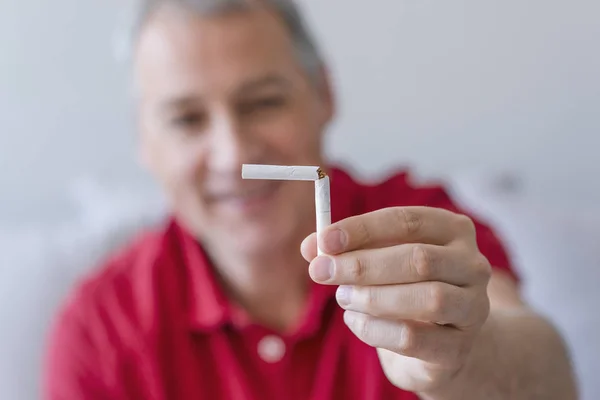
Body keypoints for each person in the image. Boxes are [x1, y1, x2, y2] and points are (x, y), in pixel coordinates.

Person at [43, 0, 577, 399]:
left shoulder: (421, 229)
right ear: (145, 141)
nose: (232, 155)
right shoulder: (103, 327)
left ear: (323, 95)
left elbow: (550, 378)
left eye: (263, 102)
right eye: (186, 119)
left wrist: (462, 359)